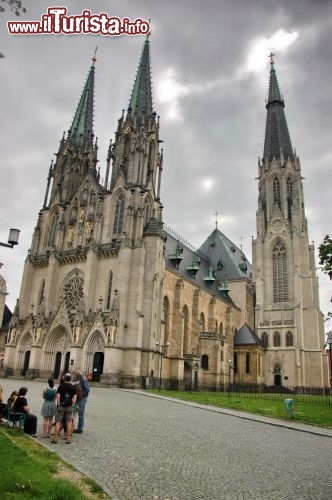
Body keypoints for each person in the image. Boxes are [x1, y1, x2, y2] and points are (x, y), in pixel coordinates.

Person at [51, 373, 76, 444]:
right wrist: (72, 405)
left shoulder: (61, 386)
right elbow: (74, 398)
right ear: (70, 379)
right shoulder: (73, 387)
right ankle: (68, 439)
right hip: (69, 406)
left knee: (58, 422)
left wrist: (59, 404)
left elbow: (58, 396)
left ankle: (55, 439)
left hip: (61, 406)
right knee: (68, 422)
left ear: (65, 379)